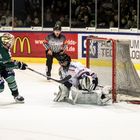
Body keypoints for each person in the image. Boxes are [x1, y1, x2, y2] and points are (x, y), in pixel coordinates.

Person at [0, 33, 28, 103]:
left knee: (10, 77)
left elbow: (7, 61)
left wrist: (18, 64)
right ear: (5, 41)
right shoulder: (1, 49)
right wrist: (19, 65)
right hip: (3, 65)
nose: (11, 44)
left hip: (2, 66)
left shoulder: (4, 47)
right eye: (10, 42)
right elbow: (7, 63)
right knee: (0, 88)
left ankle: (16, 95)